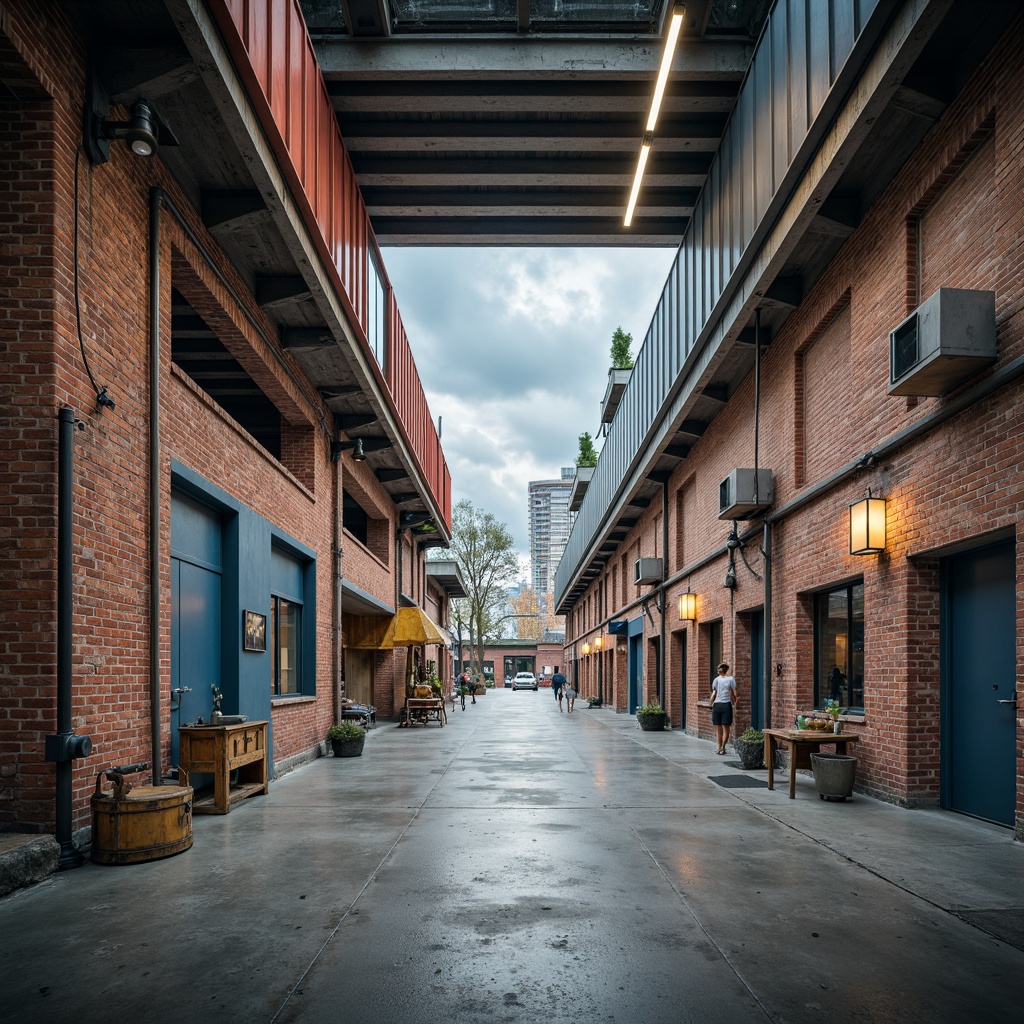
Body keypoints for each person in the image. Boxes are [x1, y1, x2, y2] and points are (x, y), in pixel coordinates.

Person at [710, 662, 738, 755]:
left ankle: (718, 748)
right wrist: (736, 702)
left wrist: (711, 703)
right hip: (726, 705)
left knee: (718, 729)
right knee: (726, 728)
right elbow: (734, 693)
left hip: (717, 705)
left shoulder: (716, 680)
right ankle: (723, 748)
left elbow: (714, 693)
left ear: (719, 671)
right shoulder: (731, 679)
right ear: (727, 670)